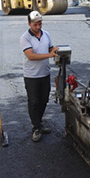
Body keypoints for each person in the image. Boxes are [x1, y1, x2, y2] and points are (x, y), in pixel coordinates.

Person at [20, 11, 57, 143]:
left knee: (43, 100)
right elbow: (31, 56)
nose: (38, 26)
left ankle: (39, 123)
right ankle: (36, 128)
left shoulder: (46, 34)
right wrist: (49, 55)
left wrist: (58, 51)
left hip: (45, 73)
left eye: (40, 23)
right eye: (35, 24)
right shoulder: (25, 38)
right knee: (34, 101)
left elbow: (51, 49)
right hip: (31, 76)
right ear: (29, 24)